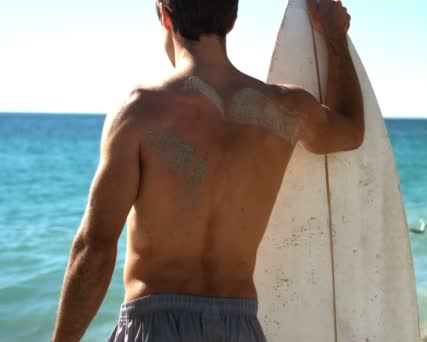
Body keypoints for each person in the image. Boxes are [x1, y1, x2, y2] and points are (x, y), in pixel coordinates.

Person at [52, 0, 363, 340]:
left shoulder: (139, 113)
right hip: (239, 329)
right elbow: (350, 131)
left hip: (154, 326)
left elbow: (95, 249)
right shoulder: (287, 109)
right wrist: (334, 36)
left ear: (166, 16)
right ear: (233, 19)